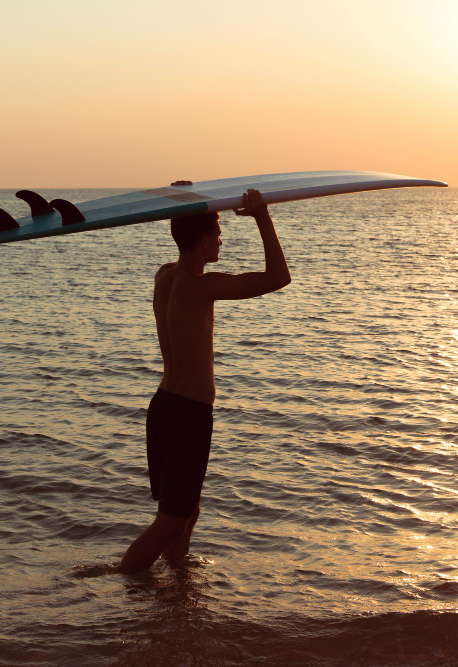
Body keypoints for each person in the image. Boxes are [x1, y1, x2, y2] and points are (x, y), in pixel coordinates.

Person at [117, 189, 291, 574]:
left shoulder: (165, 276)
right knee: (172, 520)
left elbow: (185, 230)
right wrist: (262, 216)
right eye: (217, 232)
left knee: (186, 510)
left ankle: (178, 586)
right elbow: (279, 277)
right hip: (187, 414)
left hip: (164, 406)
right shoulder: (202, 287)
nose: (221, 239)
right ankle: (121, 581)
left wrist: (189, 199)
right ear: (201, 240)